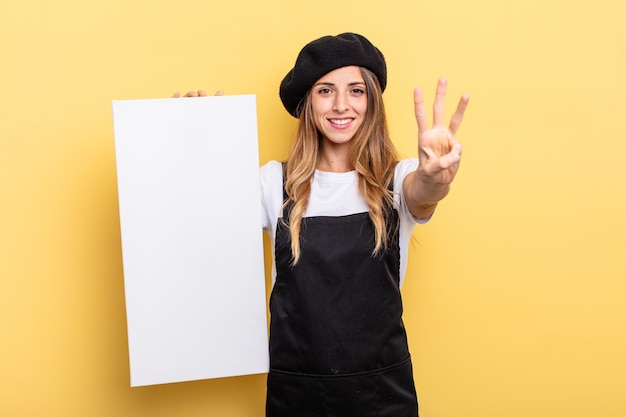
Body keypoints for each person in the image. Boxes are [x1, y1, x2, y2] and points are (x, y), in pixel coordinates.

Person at [176, 32, 468, 417]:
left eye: (356, 91)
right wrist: (192, 140)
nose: (341, 105)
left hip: (383, 395)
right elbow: (198, 217)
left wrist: (435, 176)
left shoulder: (396, 181)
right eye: (326, 91)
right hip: (296, 394)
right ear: (308, 104)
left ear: (372, 102)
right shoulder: (271, 184)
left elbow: (424, 192)